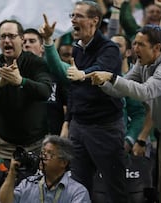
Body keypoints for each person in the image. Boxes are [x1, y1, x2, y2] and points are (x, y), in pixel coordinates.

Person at [40, 1, 128, 202]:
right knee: (78, 186)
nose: (73, 19)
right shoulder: (77, 49)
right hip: (79, 127)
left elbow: (100, 69)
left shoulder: (110, 49)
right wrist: (47, 42)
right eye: (72, 15)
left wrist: (83, 74)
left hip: (105, 128)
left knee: (115, 187)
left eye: (79, 16)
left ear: (94, 20)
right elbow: (69, 83)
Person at [86, 24, 161, 203]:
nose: (135, 49)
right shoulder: (142, 65)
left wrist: (111, 77)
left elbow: (144, 92)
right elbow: (120, 90)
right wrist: (101, 82)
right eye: (134, 44)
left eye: (140, 45)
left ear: (156, 48)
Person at [0, 19, 52, 159]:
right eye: (3, 36)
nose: (6, 40)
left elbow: (46, 91)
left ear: (22, 39)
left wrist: (21, 81)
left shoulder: (36, 63)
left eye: (11, 36)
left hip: (37, 143)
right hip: (4, 145)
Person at [0, 135, 91, 203]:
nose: (42, 157)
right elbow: (3, 201)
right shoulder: (27, 184)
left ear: (63, 163)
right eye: (42, 153)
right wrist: (12, 172)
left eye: (49, 154)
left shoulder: (77, 192)